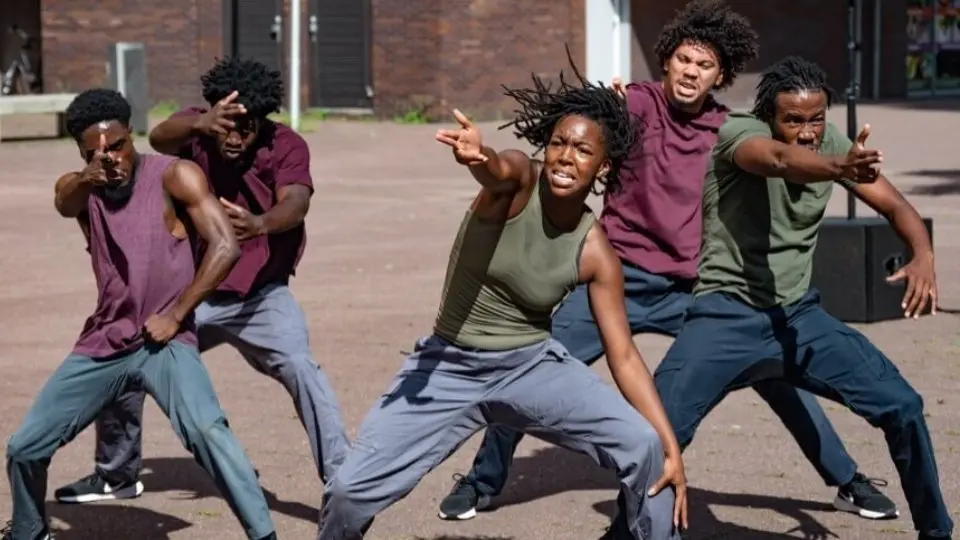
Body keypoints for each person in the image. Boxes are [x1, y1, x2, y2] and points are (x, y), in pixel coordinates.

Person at [439, 0, 897, 523]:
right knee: (534, 365)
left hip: (696, 288)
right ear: (665, 61)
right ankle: (482, 481)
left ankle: (847, 479)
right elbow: (573, 136)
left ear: (721, 75)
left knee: (774, 371)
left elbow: (784, 157)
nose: (691, 72)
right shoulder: (632, 105)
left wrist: (839, 164)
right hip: (619, 278)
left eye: (704, 65)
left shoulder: (732, 130)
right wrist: (573, 118)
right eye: (683, 59)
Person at [317, 54, 686, 540]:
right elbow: (499, 170)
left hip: (529, 367)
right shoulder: (518, 182)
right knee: (347, 491)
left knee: (647, 450)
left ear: (604, 165)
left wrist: (669, 443)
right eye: (558, 143)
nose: (565, 157)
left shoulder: (596, 252)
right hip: (447, 366)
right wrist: (480, 157)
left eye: (582, 150)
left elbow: (623, 355)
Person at [652, 56, 953, 540]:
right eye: (793, 120)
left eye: (817, 119)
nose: (808, 132)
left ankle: (936, 532)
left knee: (903, 406)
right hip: (723, 316)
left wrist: (923, 253)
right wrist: (838, 167)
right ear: (769, 117)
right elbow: (776, 160)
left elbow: (895, 204)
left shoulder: (833, 144)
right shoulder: (738, 134)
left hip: (798, 318)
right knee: (653, 435)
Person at [53, 56, 350, 505]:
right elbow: (156, 136)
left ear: (263, 121)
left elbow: (298, 203)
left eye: (245, 126)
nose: (233, 135)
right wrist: (202, 125)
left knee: (301, 369)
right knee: (124, 353)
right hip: (195, 293)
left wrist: (262, 223)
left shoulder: (286, 144)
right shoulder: (196, 130)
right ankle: (117, 474)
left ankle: (346, 482)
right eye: (225, 124)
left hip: (261, 295)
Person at [2, 89, 275, 540]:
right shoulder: (82, 188)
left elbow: (226, 245)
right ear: (82, 153)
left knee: (208, 432)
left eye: (118, 145)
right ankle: (28, 532)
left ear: (133, 135)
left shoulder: (174, 176)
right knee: (25, 447)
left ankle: (264, 536)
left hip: (164, 342)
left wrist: (177, 314)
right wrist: (88, 176)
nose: (111, 158)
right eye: (97, 152)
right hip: (106, 341)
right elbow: (63, 200)